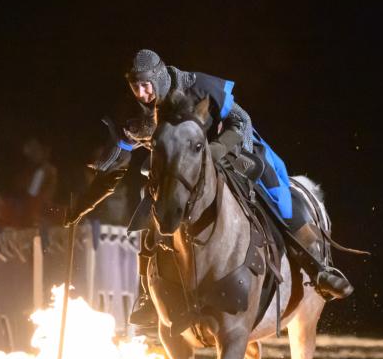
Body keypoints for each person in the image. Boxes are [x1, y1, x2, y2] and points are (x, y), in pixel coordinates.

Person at [66, 49, 352, 328]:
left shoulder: (200, 87)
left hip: (228, 151)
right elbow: (118, 165)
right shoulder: (133, 113)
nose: (142, 93)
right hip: (180, 173)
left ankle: (318, 269)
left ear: (159, 77)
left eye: (145, 85)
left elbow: (241, 121)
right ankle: (148, 297)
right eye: (135, 87)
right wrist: (83, 205)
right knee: (151, 205)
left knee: (277, 194)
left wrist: (215, 151)